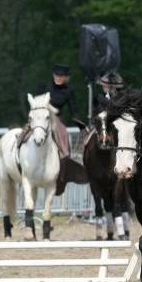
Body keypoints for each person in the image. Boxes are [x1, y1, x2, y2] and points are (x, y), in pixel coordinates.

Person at [30, 63, 87, 195]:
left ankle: (64, 159)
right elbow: (34, 101)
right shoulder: (43, 86)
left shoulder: (68, 91)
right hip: (41, 115)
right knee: (29, 129)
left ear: (66, 78)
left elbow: (74, 111)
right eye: (57, 75)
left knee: (63, 133)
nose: (59, 78)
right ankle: (18, 149)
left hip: (55, 118)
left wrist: (82, 126)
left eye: (62, 76)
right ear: (53, 75)